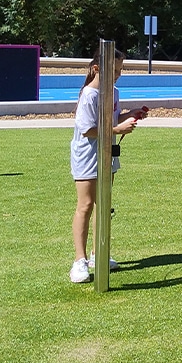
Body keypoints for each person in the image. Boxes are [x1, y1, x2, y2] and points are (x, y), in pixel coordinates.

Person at [69, 48, 148, 283]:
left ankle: (98, 253)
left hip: (107, 155)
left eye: (120, 69)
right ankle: (79, 261)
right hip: (87, 156)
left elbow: (110, 120)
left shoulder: (113, 92)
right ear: (96, 69)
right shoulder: (89, 95)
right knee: (86, 205)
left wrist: (128, 116)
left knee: (103, 204)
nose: (118, 74)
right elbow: (88, 129)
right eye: (114, 70)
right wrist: (116, 129)